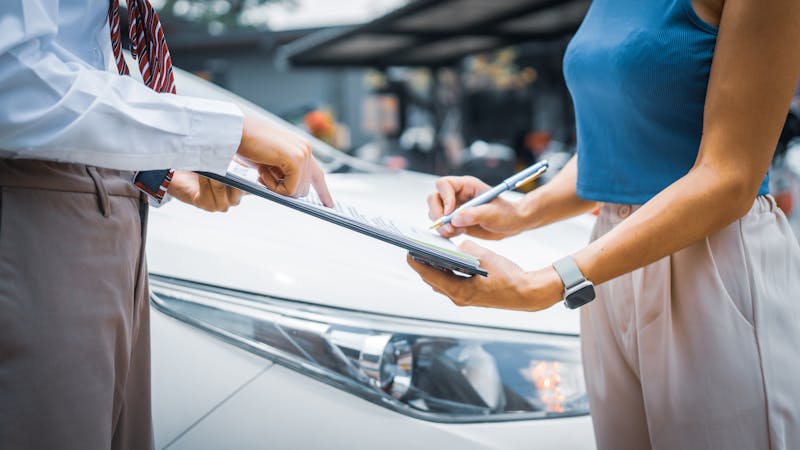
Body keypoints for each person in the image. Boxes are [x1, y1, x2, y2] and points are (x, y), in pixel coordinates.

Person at [408, 0, 800, 449]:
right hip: (612, 263)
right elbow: (612, 147)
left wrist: (545, 284)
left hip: (712, 259)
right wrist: (520, 212)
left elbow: (730, 177)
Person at [0, 1, 332, 449]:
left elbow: (83, 66)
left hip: (106, 207)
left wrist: (160, 166)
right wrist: (220, 133)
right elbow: (12, 83)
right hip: (38, 210)